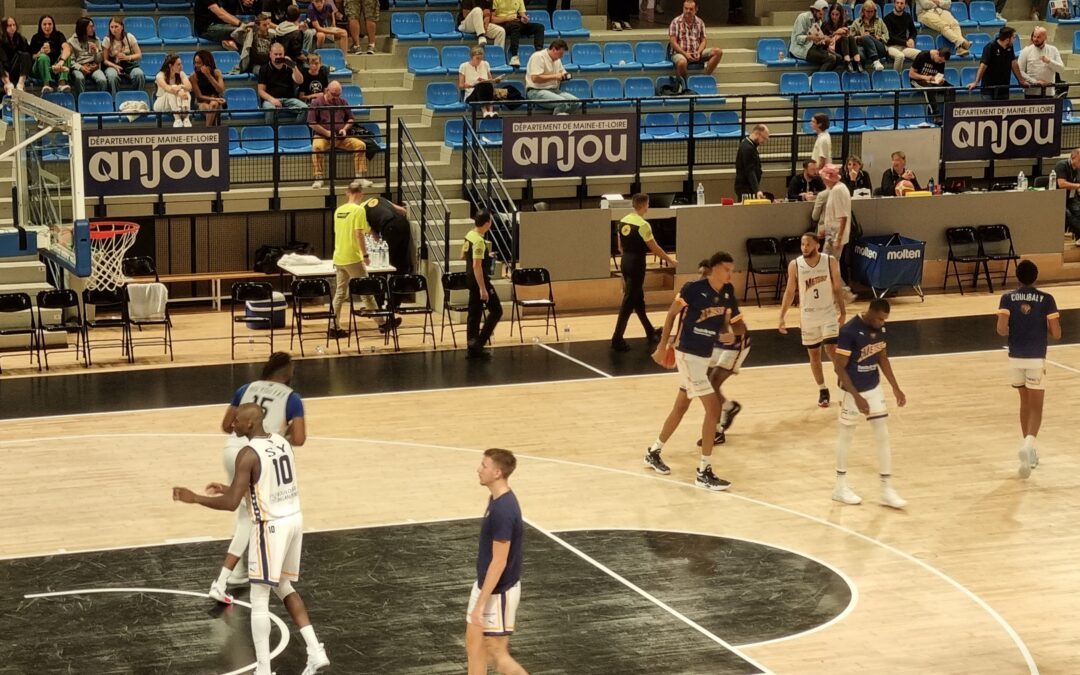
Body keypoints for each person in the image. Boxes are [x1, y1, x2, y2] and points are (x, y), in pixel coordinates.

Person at [172, 404, 329, 675]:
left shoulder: (247, 454)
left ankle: (264, 670)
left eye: (236, 422)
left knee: (259, 600)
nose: (232, 425)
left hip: (270, 527)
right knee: (283, 585)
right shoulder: (281, 441)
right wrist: (230, 487)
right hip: (293, 518)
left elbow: (233, 503)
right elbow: (263, 483)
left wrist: (195, 498)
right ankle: (315, 650)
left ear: (249, 424)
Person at [208, 352, 306, 604]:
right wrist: (280, 435)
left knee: (245, 514)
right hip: (260, 456)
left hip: (232, 450)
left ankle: (236, 573)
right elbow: (300, 439)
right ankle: (223, 579)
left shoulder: (246, 388)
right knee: (250, 518)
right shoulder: (291, 397)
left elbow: (226, 425)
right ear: (287, 372)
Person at [645, 251, 740, 491]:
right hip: (686, 353)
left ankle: (654, 451)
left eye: (732, 270)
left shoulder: (727, 293)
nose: (731, 273)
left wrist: (728, 333)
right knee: (713, 408)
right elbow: (670, 315)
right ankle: (703, 471)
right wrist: (662, 345)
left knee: (681, 406)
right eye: (727, 269)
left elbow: (726, 322)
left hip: (703, 356)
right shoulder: (692, 289)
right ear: (716, 268)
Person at [831, 298, 908, 509]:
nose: (882, 323)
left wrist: (895, 387)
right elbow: (839, 368)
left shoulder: (880, 330)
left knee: (883, 435)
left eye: (885, 320)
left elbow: (882, 358)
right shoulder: (849, 331)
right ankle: (840, 486)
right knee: (846, 435)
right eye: (880, 319)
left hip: (873, 387)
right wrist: (856, 396)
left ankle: (886, 488)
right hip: (850, 391)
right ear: (870, 313)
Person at [996, 260, 1061, 478]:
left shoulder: (1007, 298)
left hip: (1015, 357)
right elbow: (1057, 333)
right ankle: (1028, 445)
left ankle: (1029, 451)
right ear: (1036, 276)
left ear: (1017, 276)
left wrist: (1018, 325)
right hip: (1036, 357)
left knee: (1024, 403)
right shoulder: (1047, 299)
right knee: (1037, 407)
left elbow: (1001, 330)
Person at [466, 448, 526, 675]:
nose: (479, 469)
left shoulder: (503, 509)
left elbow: (499, 562)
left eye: (484, 466)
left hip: (498, 592)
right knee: (474, 646)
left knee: (498, 655)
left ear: (498, 473)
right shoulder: (496, 499)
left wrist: (481, 604)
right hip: (485, 586)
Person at [779, 232, 846, 408]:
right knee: (814, 355)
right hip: (808, 315)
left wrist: (843, 312)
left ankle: (843, 384)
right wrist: (781, 316)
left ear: (817, 244)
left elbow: (838, 287)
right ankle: (823, 390)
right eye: (802, 244)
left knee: (832, 349)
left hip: (828, 312)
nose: (804, 248)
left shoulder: (829, 261)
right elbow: (789, 291)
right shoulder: (795, 265)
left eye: (808, 244)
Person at [611, 193, 676, 352]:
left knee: (638, 299)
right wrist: (670, 260)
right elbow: (654, 248)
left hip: (625, 261)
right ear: (644, 205)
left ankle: (649, 331)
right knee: (628, 301)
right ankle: (617, 338)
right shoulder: (643, 225)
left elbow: (620, 246)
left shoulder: (623, 220)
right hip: (637, 263)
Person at [694, 259, 749, 447]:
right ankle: (729, 407)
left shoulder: (726, 294)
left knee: (712, 383)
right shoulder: (698, 293)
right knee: (706, 382)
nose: (700, 277)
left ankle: (717, 431)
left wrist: (730, 334)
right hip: (716, 343)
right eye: (699, 273)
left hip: (735, 343)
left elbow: (741, 327)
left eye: (704, 274)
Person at [330, 180, 391, 338]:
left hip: (339, 257)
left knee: (340, 293)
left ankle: (333, 327)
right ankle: (383, 323)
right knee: (366, 291)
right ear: (361, 194)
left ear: (347, 193)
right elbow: (358, 233)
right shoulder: (358, 210)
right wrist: (365, 255)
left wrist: (371, 233)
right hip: (352, 257)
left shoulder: (338, 210)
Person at [308, 80, 370, 189]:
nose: (336, 97)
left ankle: (359, 177)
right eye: (333, 94)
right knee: (317, 147)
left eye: (338, 95)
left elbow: (351, 118)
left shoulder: (343, 102)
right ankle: (318, 177)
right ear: (327, 90)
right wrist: (326, 132)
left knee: (360, 145)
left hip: (341, 137)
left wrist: (345, 129)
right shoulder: (316, 103)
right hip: (322, 137)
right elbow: (311, 123)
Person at [462, 210, 503, 359]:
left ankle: (472, 345)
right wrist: (483, 288)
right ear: (487, 223)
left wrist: (486, 256)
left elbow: (463, 255)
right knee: (497, 310)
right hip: (479, 280)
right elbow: (476, 265)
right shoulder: (479, 240)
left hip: (470, 279)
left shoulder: (469, 235)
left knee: (474, 313)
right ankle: (479, 342)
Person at [818, 164, 856, 296]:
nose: (823, 181)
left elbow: (843, 216)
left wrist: (838, 238)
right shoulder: (839, 189)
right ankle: (838, 293)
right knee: (829, 264)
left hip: (835, 235)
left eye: (824, 178)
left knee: (829, 265)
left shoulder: (837, 191)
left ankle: (843, 292)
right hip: (832, 233)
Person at [967, 26, 1034, 100]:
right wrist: (976, 82)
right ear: (1008, 39)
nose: (1014, 40)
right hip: (989, 89)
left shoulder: (1010, 47)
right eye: (1013, 38)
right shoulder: (990, 47)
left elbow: (1014, 63)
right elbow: (983, 65)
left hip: (1004, 88)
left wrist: (1021, 81)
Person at [668, 0, 722, 82]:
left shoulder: (700, 22)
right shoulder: (675, 22)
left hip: (696, 52)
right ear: (683, 8)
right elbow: (673, 42)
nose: (688, 11)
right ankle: (686, 85)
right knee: (682, 62)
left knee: (718, 52)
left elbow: (703, 40)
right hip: (680, 53)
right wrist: (685, 54)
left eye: (691, 9)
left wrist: (698, 52)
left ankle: (705, 79)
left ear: (696, 10)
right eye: (686, 8)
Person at [524, 39, 580, 115]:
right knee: (562, 103)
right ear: (554, 49)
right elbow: (535, 78)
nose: (561, 56)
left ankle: (563, 118)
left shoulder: (557, 59)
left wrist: (564, 76)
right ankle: (557, 121)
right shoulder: (538, 56)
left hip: (554, 90)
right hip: (536, 91)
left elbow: (562, 72)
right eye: (560, 53)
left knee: (576, 103)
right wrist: (555, 76)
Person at [363, 195, 414, 275]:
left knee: (391, 260)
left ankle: (393, 283)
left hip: (389, 226)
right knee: (403, 256)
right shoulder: (378, 198)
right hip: (403, 222)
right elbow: (402, 210)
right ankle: (405, 281)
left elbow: (375, 236)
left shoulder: (361, 212)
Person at [258, 42, 307, 121]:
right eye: (275, 54)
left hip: (289, 99)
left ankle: (297, 129)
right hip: (271, 99)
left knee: (305, 108)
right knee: (270, 109)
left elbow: (300, 81)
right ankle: (271, 132)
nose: (278, 56)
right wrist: (272, 100)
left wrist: (293, 66)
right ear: (270, 54)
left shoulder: (289, 66)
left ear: (284, 55)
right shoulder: (264, 68)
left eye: (280, 54)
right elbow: (261, 90)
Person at [100, 17, 146, 97]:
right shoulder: (107, 40)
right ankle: (115, 99)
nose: (114, 29)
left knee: (139, 74)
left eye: (116, 26)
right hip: (113, 65)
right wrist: (115, 66)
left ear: (122, 27)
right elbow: (105, 60)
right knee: (112, 76)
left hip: (129, 65)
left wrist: (127, 57)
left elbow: (139, 55)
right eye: (112, 27)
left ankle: (138, 97)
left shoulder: (129, 37)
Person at [790, 0, 839, 73]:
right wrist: (809, 37)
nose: (821, 17)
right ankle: (815, 79)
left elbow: (817, 41)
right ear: (814, 11)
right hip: (801, 48)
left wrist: (824, 40)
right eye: (820, 14)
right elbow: (797, 38)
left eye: (823, 15)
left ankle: (820, 76)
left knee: (838, 58)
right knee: (831, 59)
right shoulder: (802, 17)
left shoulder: (819, 22)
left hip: (813, 47)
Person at [491, 0, 544, 67]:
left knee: (540, 27)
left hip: (516, 23)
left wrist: (524, 19)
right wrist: (506, 18)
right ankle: (514, 56)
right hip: (502, 24)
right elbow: (492, 19)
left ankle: (539, 53)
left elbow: (522, 14)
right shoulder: (496, 0)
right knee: (515, 26)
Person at [1018, 26, 1064, 98]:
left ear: (1045, 38)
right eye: (1034, 36)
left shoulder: (1053, 50)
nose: (1035, 39)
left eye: (1039, 37)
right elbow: (1020, 71)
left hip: (1049, 92)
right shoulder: (1026, 51)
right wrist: (1035, 82)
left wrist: (1049, 61)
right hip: (1031, 92)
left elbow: (1061, 69)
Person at [909, 47, 953, 121]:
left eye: (942, 62)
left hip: (932, 80)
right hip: (918, 80)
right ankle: (936, 115)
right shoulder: (922, 56)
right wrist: (925, 77)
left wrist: (941, 80)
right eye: (939, 61)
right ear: (937, 53)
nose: (940, 63)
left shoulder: (941, 61)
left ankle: (949, 114)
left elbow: (940, 74)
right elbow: (911, 74)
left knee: (950, 89)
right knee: (929, 88)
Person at [66, 18, 106, 96]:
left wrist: (96, 51)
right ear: (83, 28)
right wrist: (81, 67)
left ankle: (99, 99)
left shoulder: (96, 40)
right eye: (91, 27)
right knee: (79, 78)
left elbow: (99, 60)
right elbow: (71, 61)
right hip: (79, 67)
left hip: (93, 66)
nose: (93, 29)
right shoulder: (71, 42)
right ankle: (81, 100)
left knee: (102, 80)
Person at [30, 15, 70, 94]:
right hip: (39, 68)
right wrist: (40, 53)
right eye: (44, 24)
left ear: (53, 25)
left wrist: (61, 62)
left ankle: (62, 83)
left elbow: (67, 48)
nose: (47, 26)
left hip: (56, 67)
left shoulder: (59, 35)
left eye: (49, 24)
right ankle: (46, 84)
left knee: (67, 56)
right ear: (40, 26)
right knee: (43, 57)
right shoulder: (35, 37)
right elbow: (32, 57)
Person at [459, 45, 499, 118]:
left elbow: (490, 80)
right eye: (477, 58)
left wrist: (494, 81)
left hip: (485, 93)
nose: (479, 61)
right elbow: (461, 86)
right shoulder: (463, 66)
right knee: (479, 85)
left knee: (488, 84)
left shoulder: (485, 64)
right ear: (472, 57)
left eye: (481, 58)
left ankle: (490, 111)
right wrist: (468, 85)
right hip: (471, 95)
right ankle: (484, 111)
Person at [153, 53, 193, 127]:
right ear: (170, 65)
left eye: (181, 64)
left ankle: (186, 118)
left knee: (186, 91)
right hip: (161, 104)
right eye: (178, 64)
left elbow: (189, 87)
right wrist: (178, 91)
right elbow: (167, 88)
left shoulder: (181, 73)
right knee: (172, 90)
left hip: (176, 103)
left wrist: (180, 87)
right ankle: (177, 119)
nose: (181, 66)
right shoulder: (160, 75)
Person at [822, 4, 861, 72]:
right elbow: (823, 41)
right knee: (844, 38)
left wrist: (846, 33)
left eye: (837, 14)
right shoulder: (825, 25)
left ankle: (857, 62)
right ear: (830, 14)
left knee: (850, 37)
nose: (834, 17)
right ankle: (847, 61)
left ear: (840, 15)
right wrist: (835, 33)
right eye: (832, 14)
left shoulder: (844, 24)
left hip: (842, 47)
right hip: (830, 48)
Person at [850, 1, 888, 71]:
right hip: (863, 47)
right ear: (863, 11)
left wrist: (879, 38)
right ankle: (862, 72)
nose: (870, 14)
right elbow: (850, 38)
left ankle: (876, 61)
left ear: (874, 11)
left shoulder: (880, 21)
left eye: (872, 11)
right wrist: (860, 37)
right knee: (859, 54)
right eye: (868, 11)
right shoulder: (856, 22)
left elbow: (886, 36)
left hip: (878, 47)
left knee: (867, 37)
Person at [191, 50, 226, 126]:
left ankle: (208, 132)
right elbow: (199, 96)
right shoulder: (194, 76)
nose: (196, 65)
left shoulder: (217, 73)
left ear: (206, 63)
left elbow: (220, 90)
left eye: (199, 63)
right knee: (210, 108)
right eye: (195, 62)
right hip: (202, 103)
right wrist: (215, 99)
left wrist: (209, 76)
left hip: (216, 102)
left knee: (213, 105)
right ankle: (210, 132)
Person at [883, 0, 920, 72]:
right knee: (900, 56)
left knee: (921, 55)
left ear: (905, 5)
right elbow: (890, 38)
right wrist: (905, 43)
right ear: (894, 4)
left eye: (901, 3)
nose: (899, 5)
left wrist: (911, 39)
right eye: (897, 3)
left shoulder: (907, 16)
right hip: (891, 46)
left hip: (904, 47)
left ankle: (915, 75)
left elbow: (913, 31)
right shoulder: (887, 18)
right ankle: (896, 78)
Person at [735, 124, 768, 201]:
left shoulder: (750, 145)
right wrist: (757, 190)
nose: (763, 141)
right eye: (763, 138)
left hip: (748, 186)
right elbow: (750, 171)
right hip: (746, 188)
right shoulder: (748, 148)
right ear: (757, 134)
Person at [1054, 148, 1080, 244]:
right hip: (1057, 198)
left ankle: (1078, 237)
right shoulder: (1061, 165)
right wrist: (1078, 186)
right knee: (1067, 214)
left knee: (1078, 210)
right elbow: (1062, 184)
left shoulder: (1078, 170)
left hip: (1071, 198)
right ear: (1073, 157)